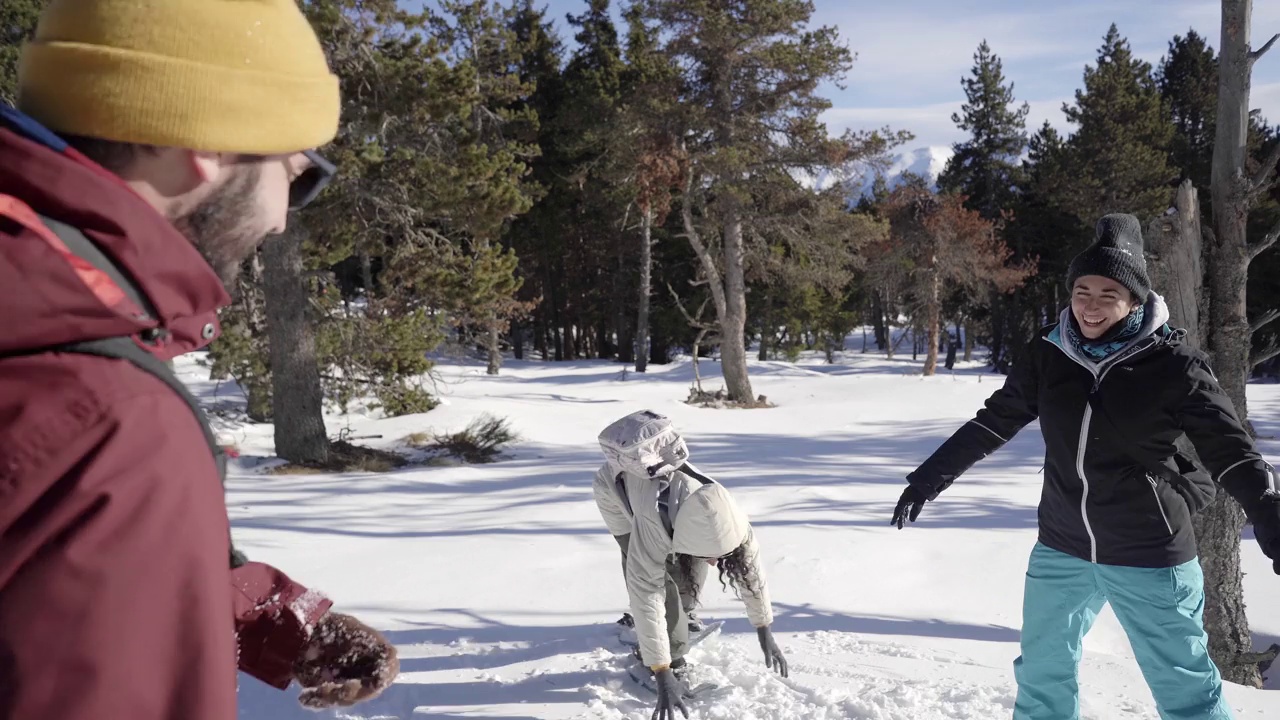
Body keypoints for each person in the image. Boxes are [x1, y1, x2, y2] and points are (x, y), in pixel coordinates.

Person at [0, 1, 398, 718]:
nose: (282, 218)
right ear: (206, 142)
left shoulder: (44, 317)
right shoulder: (107, 414)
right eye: (298, 175)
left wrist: (275, 620)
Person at [892, 213, 1280, 720]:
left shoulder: (1175, 364)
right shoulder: (1050, 352)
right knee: (1042, 674)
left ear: (1135, 301)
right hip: (1062, 545)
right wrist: (932, 475)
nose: (1090, 306)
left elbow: (1229, 448)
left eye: (1108, 294)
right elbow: (997, 420)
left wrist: (1267, 507)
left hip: (1150, 550)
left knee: (1183, 685)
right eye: (1082, 290)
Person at [593, 411, 787, 720]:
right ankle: (673, 654)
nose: (716, 563)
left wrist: (764, 627)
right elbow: (648, 594)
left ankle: (682, 617)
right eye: (712, 556)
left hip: (676, 521)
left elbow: (751, 571)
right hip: (617, 495)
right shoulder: (652, 526)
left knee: (688, 579)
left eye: (721, 557)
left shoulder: (729, 517)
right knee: (658, 582)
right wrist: (661, 670)